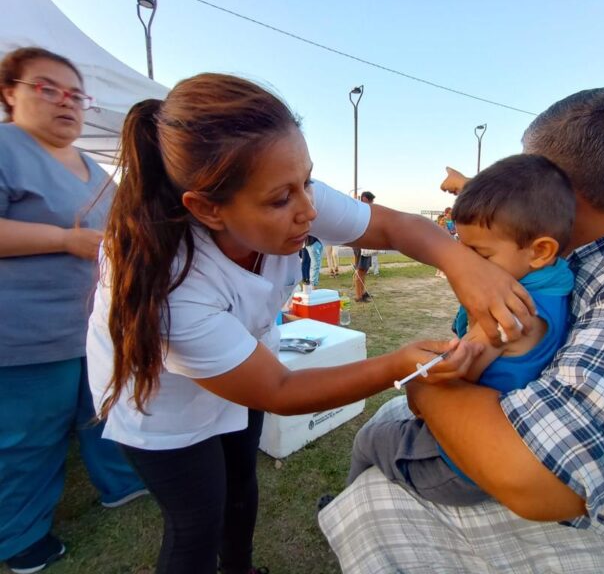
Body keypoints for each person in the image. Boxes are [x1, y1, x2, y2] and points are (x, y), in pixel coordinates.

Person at [85, 73, 536, 574]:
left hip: (244, 362)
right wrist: (400, 363)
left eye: (308, 181)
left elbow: (390, 225)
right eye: (281, 199)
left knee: (240, 488)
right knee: (195, 522)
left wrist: (462, 263)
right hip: (162, 401)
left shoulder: (287, 191)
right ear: (207, 208)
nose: (309, 210)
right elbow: (276, 389)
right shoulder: (170, 284)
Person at [319, 88, 604, 573]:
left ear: (563, 196)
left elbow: (538, 480)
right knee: (386, 427)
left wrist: (423, 389)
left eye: (536, 175)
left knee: (377, 470)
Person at [346, 154, 575, 506]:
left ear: (541, 251)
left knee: (368, 440)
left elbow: (447, 380)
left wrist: (419, 384)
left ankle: (344, 504)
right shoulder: (557, 278)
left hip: (461, 465)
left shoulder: (503, 314)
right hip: (500, 441)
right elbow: (511, 225)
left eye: (477, 254)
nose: (463, 265)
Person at [0, 47, 146, 574]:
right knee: (27, 438)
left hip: (92, 328)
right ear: (9, 92)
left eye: (75, 94)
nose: (65, 102)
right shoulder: (5, 147)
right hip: (23, 333)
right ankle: (20, 537)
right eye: (47, 88)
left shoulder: (92, 165)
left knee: (102, 411)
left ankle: (121, 484)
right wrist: (63, 240)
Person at [352, 190, 376, 301]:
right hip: (361, 245)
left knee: (364, 270)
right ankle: (358, 295)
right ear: (366, 199)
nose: (372, 203)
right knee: (360, 270)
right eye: (371, 201)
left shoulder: (363, 210)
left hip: (366, 245)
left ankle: (362, 292)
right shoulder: (360, 211)